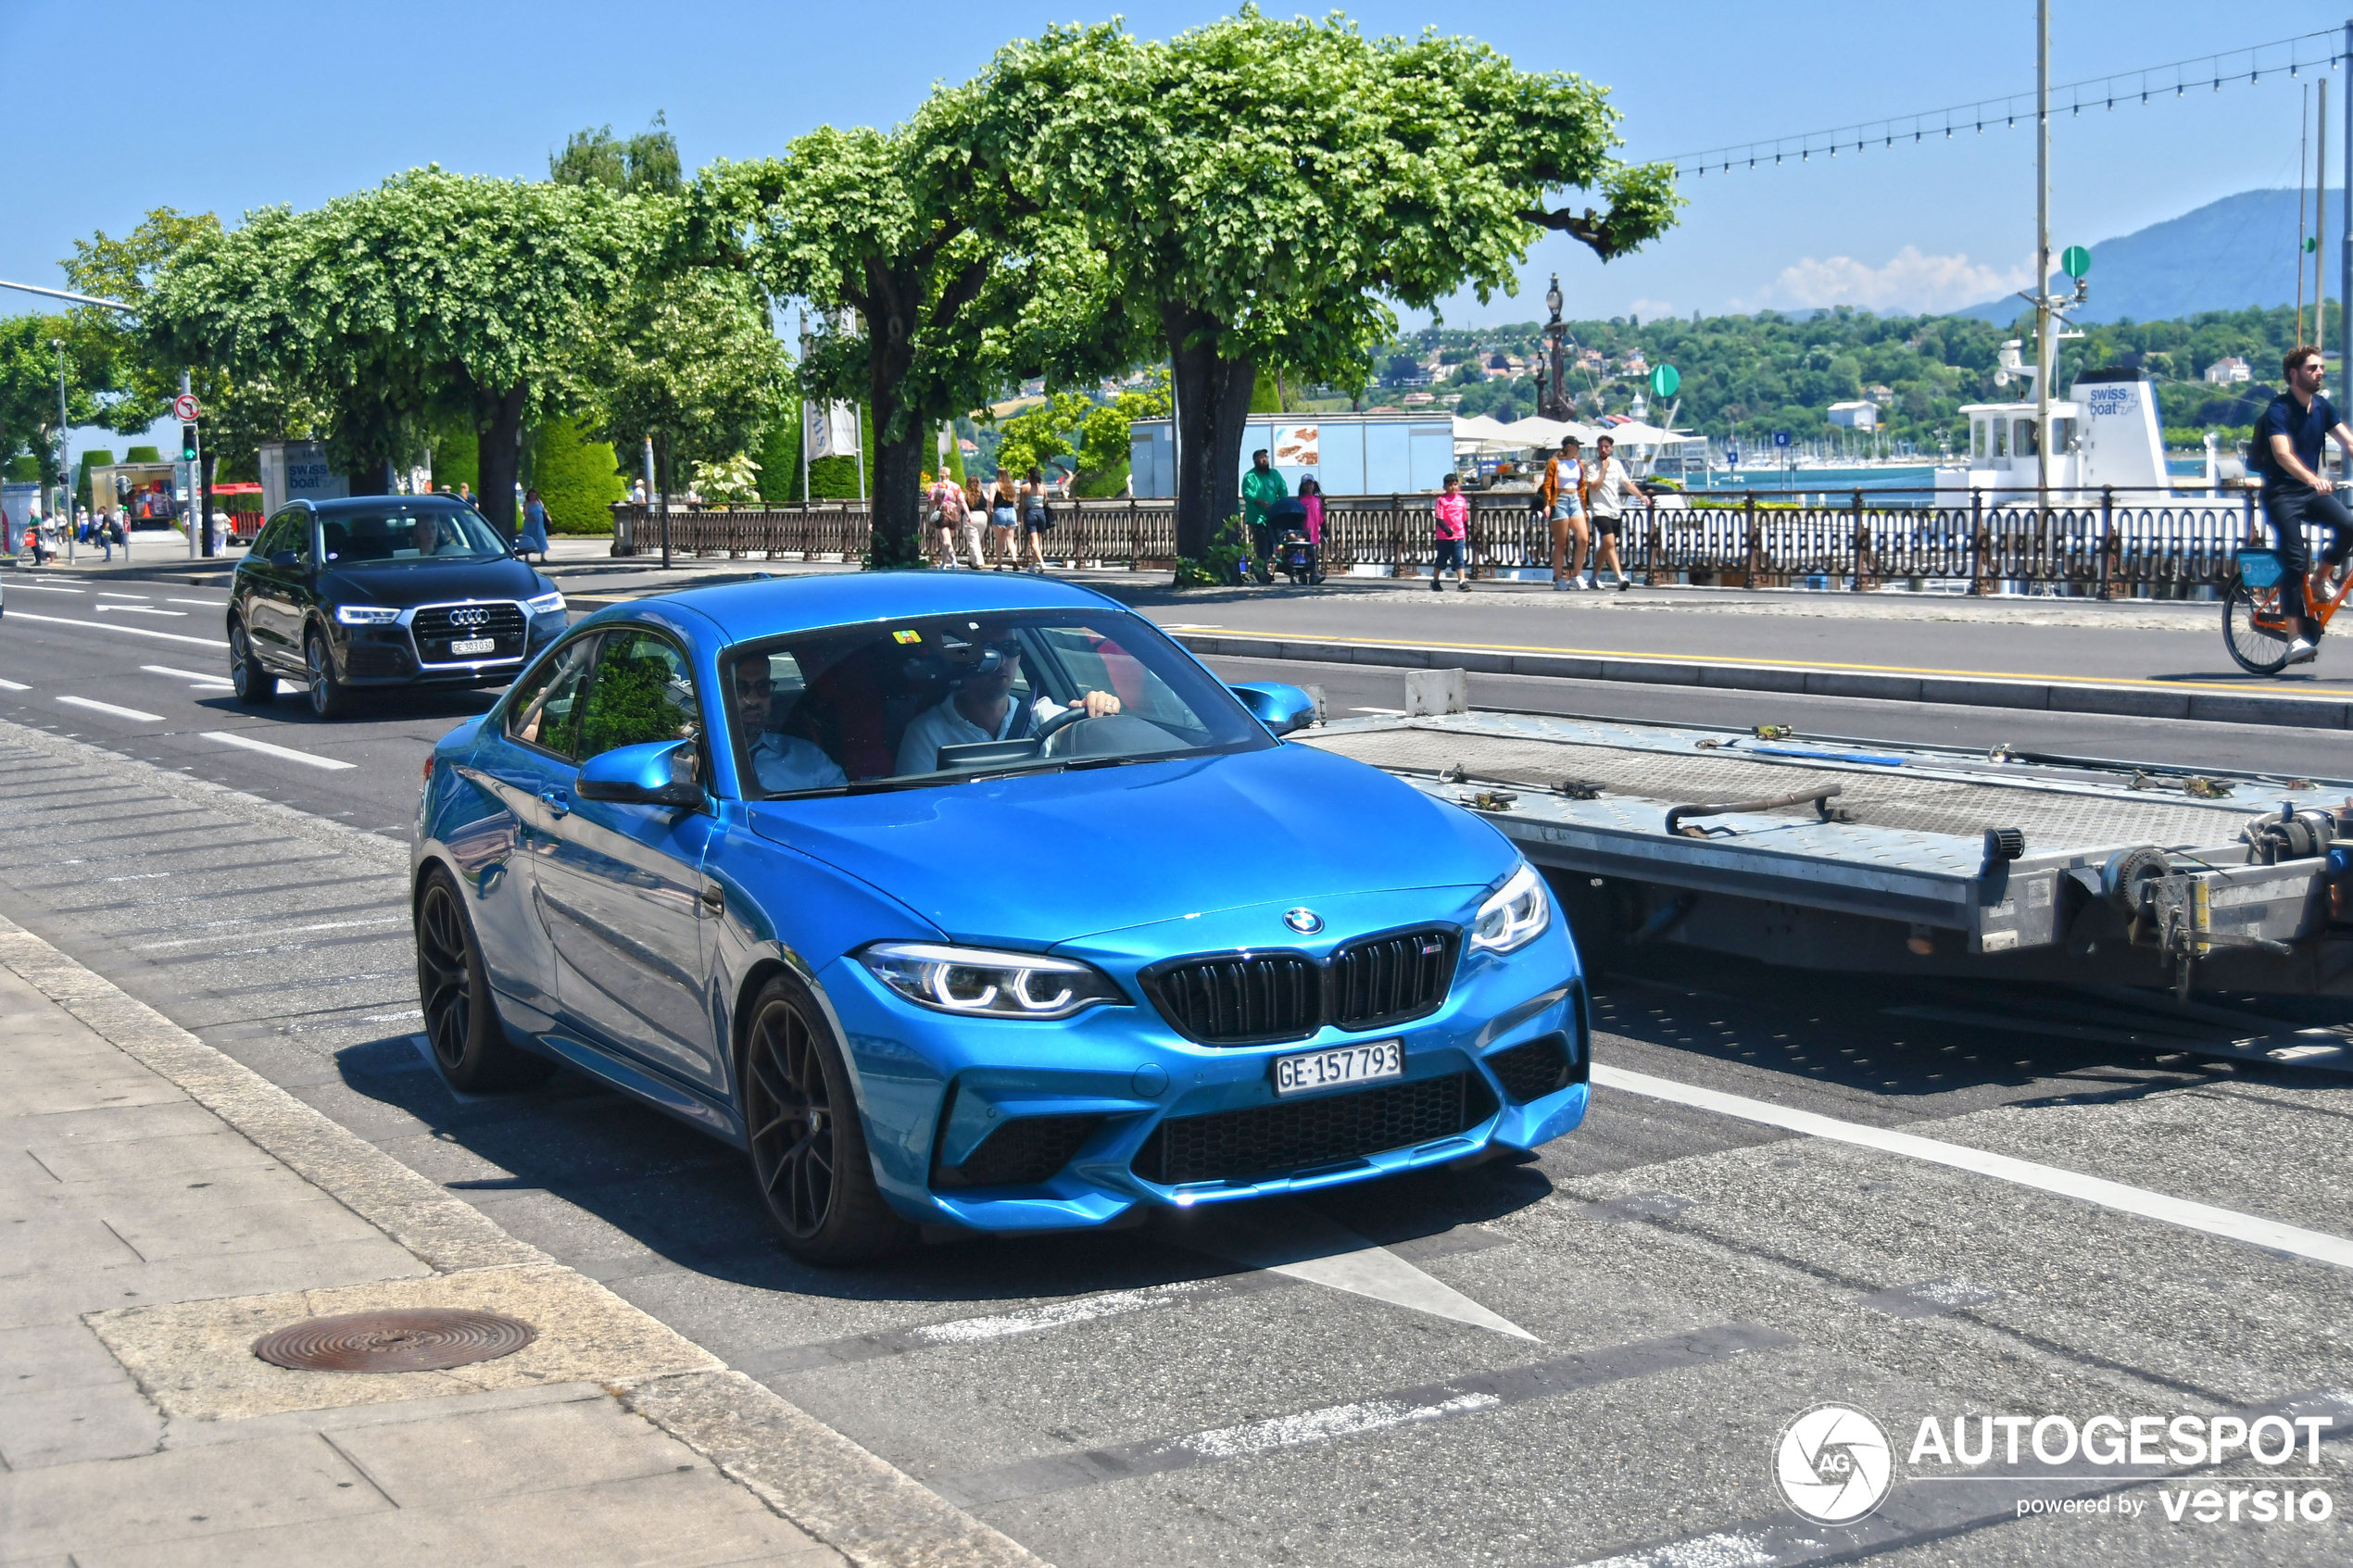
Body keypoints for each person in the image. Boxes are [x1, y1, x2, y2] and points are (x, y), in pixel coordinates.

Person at [894, 623, 1121, 776]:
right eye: (988, 650)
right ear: (964, 660)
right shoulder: (927, 733)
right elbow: (914, 810)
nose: (1002, 660)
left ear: (1020, 655)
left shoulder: (1042, 715)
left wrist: (1099, 711)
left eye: (1010, 647)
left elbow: (1076, 732)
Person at [2258, 345, 2353, 662]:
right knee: (2295, 559)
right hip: (2282, 494)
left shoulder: (2322, 407)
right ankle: (2295, 638)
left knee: (2350, 526)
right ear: (2294, 373)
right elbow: (2282, 454)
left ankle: (2320, 578)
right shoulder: (2279, 410)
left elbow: (2349, 442)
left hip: (2310, 494)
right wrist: (2312, 478)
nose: (2320, 372)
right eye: (2313, 368)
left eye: (2321, 368)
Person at [730, 651, 847, 794]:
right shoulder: (702, 760)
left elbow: (847, 807)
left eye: (763, 686)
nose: (754, 699)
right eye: (740, 688)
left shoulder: (808, 756)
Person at [1585, 434, 1636, 591]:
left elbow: (1626, 483)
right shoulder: (1592, 465)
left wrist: (1641, 495)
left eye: (1606, 446)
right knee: (1610, 543)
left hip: (1615, 509)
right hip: (1599, 509)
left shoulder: (1617, 464)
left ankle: (1593, 578)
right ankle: (1620, 577)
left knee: (1606, 546)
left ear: (1611, 448)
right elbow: (1594, 487)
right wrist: (1604, 470)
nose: (1603, 449)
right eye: (1600, 446)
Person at [1542, 436, 1589, 591]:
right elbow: (1548, 484)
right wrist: (1547, 503)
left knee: (1583, 538)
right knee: (1560, 542)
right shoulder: (1555, 463)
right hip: (1560, 500)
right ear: (1569, 446)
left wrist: (1584, 506)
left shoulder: (1578, 463)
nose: (1578, 448)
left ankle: (1577, 575)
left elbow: (1581, 485)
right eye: (1576, 446)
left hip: (1575, 499)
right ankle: (1559, 577)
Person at [1241, 448, 1288, 574]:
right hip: (1257, 517)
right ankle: (1262, 572)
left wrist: (1283, 503)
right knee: (1262, 545)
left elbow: (1282, 489)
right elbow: (1248, 495)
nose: (1264, 460)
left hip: (1273, 516)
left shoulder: (1274, 474)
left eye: (1266, 457)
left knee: (1274, 543)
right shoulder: (1250, 476)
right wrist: (1263, 503)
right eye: (1261, 457)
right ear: (1255, 461)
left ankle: (1256, 567)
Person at [1431, 472, 1470, 592]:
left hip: (1459, 534)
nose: (1453, 487)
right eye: (1450, 485)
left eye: (1455, 484)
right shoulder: (1441, 500)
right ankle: (1435, 581)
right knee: (1441, 559)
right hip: (1444, 536)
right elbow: (1439, 518)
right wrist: (1446, 530)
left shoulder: (1461, 500)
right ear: (1445, 487)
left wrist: (1466, 530)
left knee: (1459, 558)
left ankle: (1462, 582)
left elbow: (1464, 517)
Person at [1019, 467, 1051, 572]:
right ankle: (1032, 566)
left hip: (1030, 513)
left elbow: (1022, 504)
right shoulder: (1043, 487)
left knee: (1033, 542)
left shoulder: (1025, 487)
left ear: (1029, 475)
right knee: (1037, 541)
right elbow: (1046, 501)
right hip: (1041, 513)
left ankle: (1042, 562)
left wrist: (1019, 515)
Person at [1297, 475, 1327, 584]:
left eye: (1311, 484)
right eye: (1307, 484)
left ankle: (1308, 574)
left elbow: (1320, 517)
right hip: (1305, 531)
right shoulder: (1301, 501)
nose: (1309, 486)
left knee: (1312, 553)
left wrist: (1324, 529)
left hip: (1314, 531)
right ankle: (1310, 573)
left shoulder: (1317, 500)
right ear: (1303, 486)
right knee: (1308, 552)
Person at [988, 473, 1019, 570]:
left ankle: (1000, 564)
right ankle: (1014, 559)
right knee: (1010, 540)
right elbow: (1015, 500)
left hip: (999, 511)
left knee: (999, 541)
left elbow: (991, 499)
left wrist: (989, 510)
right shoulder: (1011, 486)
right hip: (1011, 511)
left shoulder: (994, 485)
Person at [518, 489, 551, 560]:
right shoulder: (526, 503)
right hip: (530, 524)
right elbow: (525, 513)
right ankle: (527, 557)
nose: (532, 497)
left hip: (540, 524)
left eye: (534, 495)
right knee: (529, 539)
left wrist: (548, 517)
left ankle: (542, 557)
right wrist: (531, 518)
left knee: (542, 538)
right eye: (531, 495)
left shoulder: (539, 501)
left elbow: (544, 510)